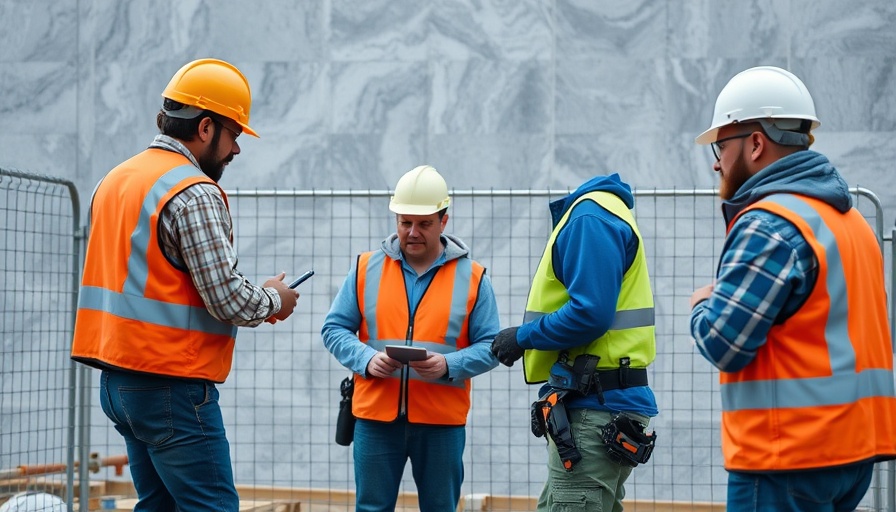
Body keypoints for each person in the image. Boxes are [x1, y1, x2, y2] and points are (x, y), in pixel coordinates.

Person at [71, 58, 300, 512]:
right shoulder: (192, 191)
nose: (237, 149)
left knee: (158, 506)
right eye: (234, 134)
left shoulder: (114, 180)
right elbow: (227, 299)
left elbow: (153, 278)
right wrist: (276, 298)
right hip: (171, 386)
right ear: (206, 128)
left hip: (118, 382)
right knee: (211, 506)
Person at [689, 65, 896, 511]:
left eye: (721, 146)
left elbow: (722, 341)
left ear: (756, 143)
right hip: (852, 454)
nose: (716, 161)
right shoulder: (852, 221)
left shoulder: (769, 224)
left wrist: (703, 302)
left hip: (785, 458)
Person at [321, 165, 500, 512]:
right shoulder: (365, 268)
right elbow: (334, 329)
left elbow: (492, 345)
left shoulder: (473, 277)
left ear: (443, 221)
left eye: (424, 223)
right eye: (405, 222)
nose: (412, 232)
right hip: (375, 417)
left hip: (441, 423)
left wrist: (450, 364)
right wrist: (366, 359)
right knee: (371, 508)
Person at [491, 173, 658, 512]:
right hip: (599, 405)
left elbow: (590, 313)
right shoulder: (603, 213)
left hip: (593, 408)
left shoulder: (589, 218)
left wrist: (523, 337)